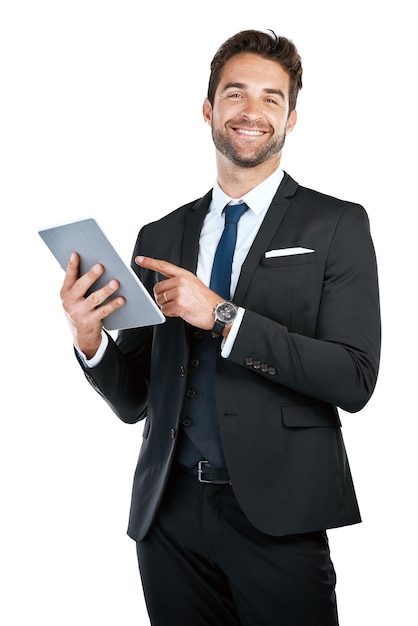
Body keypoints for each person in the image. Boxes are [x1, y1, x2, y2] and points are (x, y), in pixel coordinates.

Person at [60, 29, 381, 626]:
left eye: (271, 98)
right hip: (169, 515)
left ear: (290, 119)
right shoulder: (159, 236)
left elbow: (355, 377)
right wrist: (90, 340)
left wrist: (225, 317)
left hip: (280, 514)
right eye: (235, 94)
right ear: (209, 109)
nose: (252, 112)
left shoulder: (337, 225)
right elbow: (135, 400)